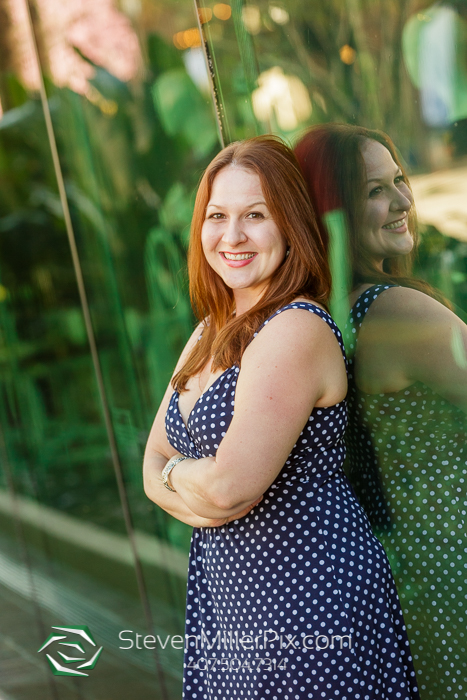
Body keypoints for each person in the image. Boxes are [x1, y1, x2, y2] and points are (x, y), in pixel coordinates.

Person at [143, 135, 419, 699]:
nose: (232, 236)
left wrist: (180, 479)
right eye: (217, 215)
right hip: (231, 601)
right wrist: (183, 478)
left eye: (256, 215)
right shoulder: (207, 332)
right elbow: (149, 463)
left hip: (307, 602)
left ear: (290, 225)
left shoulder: (294, 327)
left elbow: (226, 491)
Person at [295, 123, 467, 700]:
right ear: (331, 210)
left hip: (412, 569)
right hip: (453, 556)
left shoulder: (323, 318)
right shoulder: (394, 312)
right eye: (373, 191)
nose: (402, 202)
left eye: (399, 181)